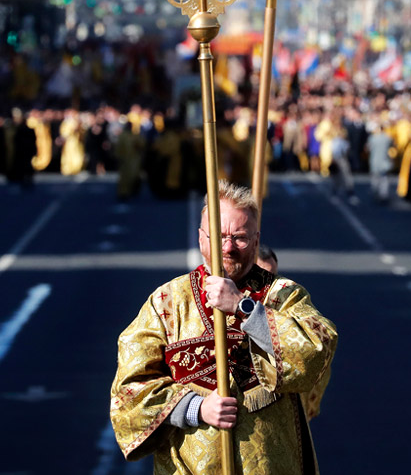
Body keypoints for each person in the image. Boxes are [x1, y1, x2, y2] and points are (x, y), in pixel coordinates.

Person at [110, 181, 337, 474]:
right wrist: (195, 408)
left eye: (240, 238)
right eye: (219, 236)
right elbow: (129, 389)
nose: (228, 248)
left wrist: (245, 309)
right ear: (202, 238)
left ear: (256, 241)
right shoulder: (166, 302)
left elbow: (317, 350)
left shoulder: (284, 295)